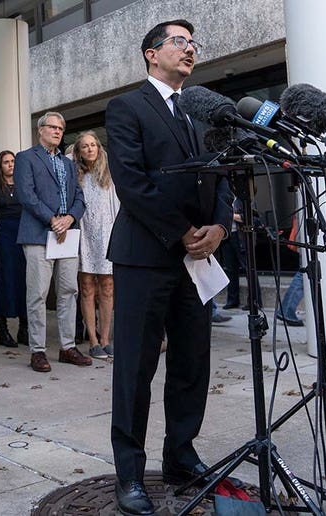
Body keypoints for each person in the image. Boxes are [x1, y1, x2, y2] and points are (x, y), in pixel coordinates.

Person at [105, 20, 233, 515]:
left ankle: (181, 456)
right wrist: (183, 233)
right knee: (136, 368)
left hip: (199, 259)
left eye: (192, 42)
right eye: (179, 41)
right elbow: (132, 182)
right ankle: (130, 475)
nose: (190, 48)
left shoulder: (200, 112)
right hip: (146, 256)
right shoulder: (127, 107)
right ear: (150, 54)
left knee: (191, 363)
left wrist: (219, 228)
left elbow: (222, 176)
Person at [15, 111, 92, 373]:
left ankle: (67, 347)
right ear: (40, 130)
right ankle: (37, 351)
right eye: (53, 127)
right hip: (39, 234)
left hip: (67, 235)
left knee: (69, 292)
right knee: (37, 294)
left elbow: (80, 198)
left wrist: (69, 218)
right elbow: (26, 195)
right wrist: (53, 220)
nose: (58, 131)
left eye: (61, 128)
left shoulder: (69, 163)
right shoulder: (26, 158)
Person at [73, 131, 119, 359]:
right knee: (87, 287)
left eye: (93, 145)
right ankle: (92, 340)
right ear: (79, 152)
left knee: (108, 287)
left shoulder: (110, 174)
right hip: (84, 234)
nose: (90, 149)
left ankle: (105, 338)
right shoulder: (75, 176)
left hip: (107, 234)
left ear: (99, 149)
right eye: (85, 146)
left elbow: (118, 207)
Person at [0, 150, 28, 348]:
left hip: (25, 234)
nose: (10, 165)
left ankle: (24, 329)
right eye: (6, 162)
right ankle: (3, 331)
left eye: (13, 161)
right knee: (5, 280)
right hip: (5, 236)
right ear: (0, 165)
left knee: (27, 281)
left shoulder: (25, 184)